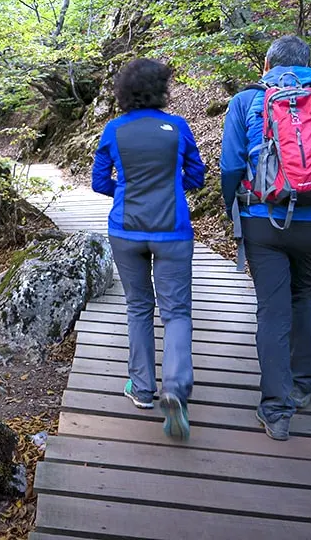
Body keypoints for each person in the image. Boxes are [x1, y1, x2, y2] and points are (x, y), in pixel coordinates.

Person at [220, 35, 311, 441]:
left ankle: (276, 411)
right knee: (303, 299)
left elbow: (230, 166)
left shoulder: (246, 103)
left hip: (263, 220)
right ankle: (305, 383)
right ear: (308, 65)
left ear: (266, 66)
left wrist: (236, 210)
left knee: (272, 309)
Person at [92, 58, 205, 440]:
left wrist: (123, 191)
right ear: (160, 89)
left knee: (138, 306)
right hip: (172, 230)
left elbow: (98, 182)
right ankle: (174, 389)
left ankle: (141, 389)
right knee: (176, 312)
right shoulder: (177, 127)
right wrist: (174, 188)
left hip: (125, 230)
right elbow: (196, 175)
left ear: (124, 91)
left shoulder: (113, 129)